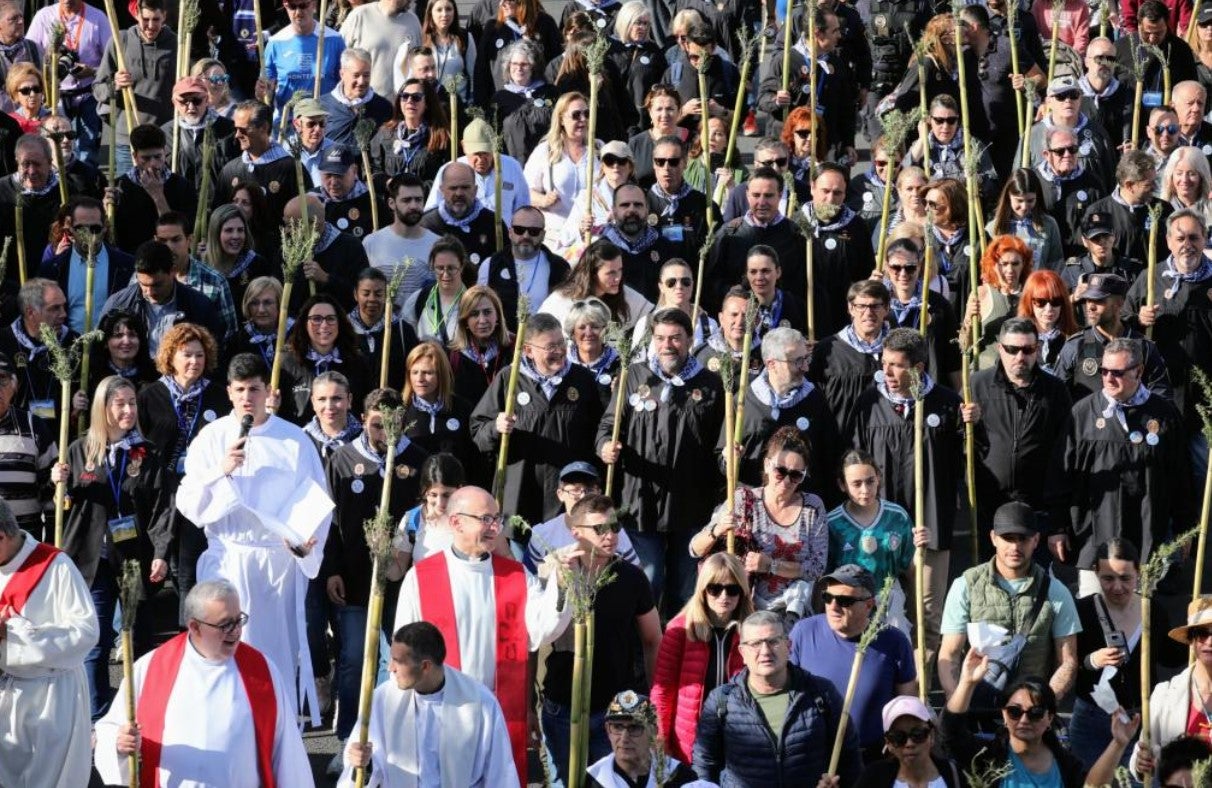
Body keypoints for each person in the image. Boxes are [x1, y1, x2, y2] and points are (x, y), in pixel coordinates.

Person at [174, 353, 336, 724]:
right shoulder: (212, 438)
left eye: (255, 389)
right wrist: (221, 470)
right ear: (229, 393)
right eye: (240, 389)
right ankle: (226, 724)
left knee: (275, 654)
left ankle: (275, 727)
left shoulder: (294, 440)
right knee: (227, 648)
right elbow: (188, 502)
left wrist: (304, 543)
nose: (248, 397)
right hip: (229, 558)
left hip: (276, 564)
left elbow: (316, 500)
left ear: (269, 392)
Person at [393, 485, 572, 784]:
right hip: (441, 712)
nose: (494, 527)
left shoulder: (514, 575)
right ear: (456, 522)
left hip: (499, 712)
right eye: (485, 519)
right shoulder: (422, 577)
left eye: (497, 519)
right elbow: (404, 651)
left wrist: (561, 584)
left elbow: (541, 629)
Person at [93, 579, 314, 786]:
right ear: (195, 627)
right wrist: (119, 742)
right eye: (226, 624)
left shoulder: (262, 671)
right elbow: (109, 728)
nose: (236, 631)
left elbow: (288, 752)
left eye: (239, 620)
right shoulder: (151, 667)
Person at [851, 328, 974, 677]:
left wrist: (970, 429)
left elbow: (967, 462)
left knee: (927, 612)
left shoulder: (948, 404)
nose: (887, 373)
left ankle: (919, 686)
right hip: (882, 526)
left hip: (930, 523)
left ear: (919, 368)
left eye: (896, 365)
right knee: (880, 605)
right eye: (884, 363)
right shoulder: (869, 404)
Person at [322, 387, 428, 765]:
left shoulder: (416, 459)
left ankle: (383, 738)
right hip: (352, 578)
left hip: (399, 581)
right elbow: (330, 522)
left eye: (393, 425)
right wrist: (331, 569)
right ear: (364, 419)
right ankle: (348, 737)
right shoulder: (342, 459)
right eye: (378, 425)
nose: (385, 434)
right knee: (353, 660)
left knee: (392, 660)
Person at [54, 374, 169, 718]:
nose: (128, 410)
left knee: (141, 640)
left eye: (131, 403)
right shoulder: (77, 450)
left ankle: (144, 712)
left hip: (134, 559)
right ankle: (98, 718)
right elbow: (62, 508)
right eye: (119, 404)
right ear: (103, 408)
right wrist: (59, 486)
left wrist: (161, 552)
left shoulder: (145, 454)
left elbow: (163, 506)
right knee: (95, 640)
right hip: (93, 560)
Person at [598, 307, 724, 609]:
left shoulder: (711, 384)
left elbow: (720, 443)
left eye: (676, 338)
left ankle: (681, 646)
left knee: (686, 588)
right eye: (661, 338)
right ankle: (644, 649)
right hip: (641, 502)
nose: (668, 345)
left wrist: (729, 457)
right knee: (649, 580)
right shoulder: (633, 375)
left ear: (690, 339)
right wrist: (605, 445)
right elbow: (607, 425)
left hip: (690, 503)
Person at [1047, 337, 1192, 589]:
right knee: (1095, 614)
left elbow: (1181, 477)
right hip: (1094, 537)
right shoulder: (1083, 414)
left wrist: (1184, 528)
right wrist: (1057, 526)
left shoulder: (1164, 415)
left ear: (1139, 371)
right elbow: (1061, 475)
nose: (1108, 378)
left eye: (1118, 372)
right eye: (1104, 371)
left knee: (1138, 616)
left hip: (1145, 537)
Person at [538, 494, 663, 785]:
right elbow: (534, 637)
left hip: (613, 712)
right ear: (576, 532)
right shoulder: (555, 572)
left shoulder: (632, 577)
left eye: (615, 527)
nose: (610, 536)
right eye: (600, 529)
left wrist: (654, 698)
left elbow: (653, 639)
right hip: (561, 704)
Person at [338, 620, 518, 787]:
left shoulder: (479, 702)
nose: (390, 668)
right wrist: (361, 763)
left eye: (398, 662)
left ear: (425, 666)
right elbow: (364, 766)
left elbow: (500, 772)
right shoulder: (382, 699)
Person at [693, 610, 862, 785]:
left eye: (773, 641)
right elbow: (704, 763)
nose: (765, 651)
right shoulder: (722, 701)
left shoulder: (821, 693)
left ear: (788, 646)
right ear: (742, 653)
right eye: (756, 644)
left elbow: (849, 757)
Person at [938, 501, 1081, 707]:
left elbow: (1067, 662)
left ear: (1036, 540)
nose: (1015, 547)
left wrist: (1042, 707)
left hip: (1032, 710)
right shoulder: (965, 586)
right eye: (1008, 538)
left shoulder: (1056, 591)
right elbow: (950, 653)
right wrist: (956, 704)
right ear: (993, 538)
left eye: (1022, 539)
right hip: (978, 706)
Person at [0, 496, 97, 788]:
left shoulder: (55, 566)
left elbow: (87, 632)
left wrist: (14, 633)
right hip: (8, 696)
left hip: (51, 698)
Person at [471, 312, 603, 523]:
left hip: (569, 499)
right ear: (528, 350)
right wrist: (496, 427)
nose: (559, 351)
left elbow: (600, 430)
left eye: (562, 343)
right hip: (520, 498)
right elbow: (478, 431)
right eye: (550, 347)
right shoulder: (509, 379)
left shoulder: (582, 379)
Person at [1070, 539, 1185, 771]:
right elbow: (1067, 663)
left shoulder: (1152, 610)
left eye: (1125, 578)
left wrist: (1193, 635)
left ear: (1138, 574)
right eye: (1108, 578)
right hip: (1092, 718)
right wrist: (1093, 660)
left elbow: (1170, 657)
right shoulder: (1082, 610)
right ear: (1096, 574)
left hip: (1138, 719)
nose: (1117, 587)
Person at [691, 426, 827, 621]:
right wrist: (718, 529)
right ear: (766, 465)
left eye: (796, 475)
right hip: (746, 611)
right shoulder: (743, 501)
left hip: (795, 611)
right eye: (780, 471)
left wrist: (771, 565)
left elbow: (817, 567)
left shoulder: (813, 507)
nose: (787, 481)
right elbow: (694, 549)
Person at [944, 648, 1134, 787]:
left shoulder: (1066, 764)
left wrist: (1118, 743)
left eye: (1035, 713)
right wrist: (967, 683)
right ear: (1003, 713)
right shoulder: (988, 757)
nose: (1024, 720)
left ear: (1050, 717)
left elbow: (1092, 787)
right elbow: (951, 733)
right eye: (1015, 712)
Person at [789, 565, 918, 760]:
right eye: (827, 597)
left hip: (872, 757)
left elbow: (906, 704)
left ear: (869, 604)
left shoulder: (894, 641)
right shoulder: (803, 633)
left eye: (844, 600)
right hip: (815, 755)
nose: (833, 606)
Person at [1124, 208, 1212, 459]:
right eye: (1180, 238)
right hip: (1159, 395)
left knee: (1201, 473)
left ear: (1204, 238)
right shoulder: (1150, 279)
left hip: (1204, 400)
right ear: (1168, 241)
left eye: (1194, 238)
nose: (1187, 245)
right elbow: (1122, 325)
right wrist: (1139, 319)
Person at [970, 318, 1073, 531]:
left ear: (1038, 349)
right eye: (1012, 349)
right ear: (1000, 348)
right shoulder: (976, 385)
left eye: (1028, 350)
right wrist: (964, 424)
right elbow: (959, 443)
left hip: (1038, 507)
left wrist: (1058, 521)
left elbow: (1065, 452)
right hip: (986, 506)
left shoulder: (1055, 390)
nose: (1020, 357)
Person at [651, 552, 750, 763]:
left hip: (739, 741)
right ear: (703, 591)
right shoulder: (679, 630)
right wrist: (661, 741)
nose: (724, 596)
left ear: (742, 592)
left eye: (732, 589)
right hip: (690, 744)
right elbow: (662, 692)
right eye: (715, 588)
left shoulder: (753, 631)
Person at [827, 450, 923, 634]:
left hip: (889, 597)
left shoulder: (897, 516)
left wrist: (920, 549)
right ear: (842, 485)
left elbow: (910, 569)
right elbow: (823, 575)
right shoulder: (833, 523)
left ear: (878, 478)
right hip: (847, 600)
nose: (865, 490)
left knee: (894, 647)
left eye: (870, 481)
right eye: (856, 484)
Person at [1052, 272, 1172, 402]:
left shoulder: (1143, 347)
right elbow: (1056, 399)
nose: (1090, 307)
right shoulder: (1075, 346)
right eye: (1087, 300)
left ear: (1119, 303)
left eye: (1098, 300)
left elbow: (1162, 397)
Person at [93, 0, 178, 172]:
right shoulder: (120, 41)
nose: (150, 26)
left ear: (164, 17)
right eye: (145, 19)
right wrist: (115, 85)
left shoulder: (177, 44)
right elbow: (98, 89)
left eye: (156, 19)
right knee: (130, 194)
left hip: (164, 140)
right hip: (127, 140)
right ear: (136, 15)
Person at [808, 280, 892, 434]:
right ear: (850, 308)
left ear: (887, 308)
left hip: (885, 442)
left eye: (875, 306)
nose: (868, 313)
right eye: (861, 306)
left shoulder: (899, 349)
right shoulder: (828, 351)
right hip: (842, 444)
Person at [0, 278, 74, 431]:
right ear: (31, 312)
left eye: (63, 307)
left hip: (61, 435)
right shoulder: (4, 342)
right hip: (15, 436)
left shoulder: (73, 343)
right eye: (55, 308)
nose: (63, 314)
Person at [478, 205, 567, 331]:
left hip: (542, 343)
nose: (526, 236)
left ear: (543, 234)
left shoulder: (558, 267)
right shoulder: (491, 265)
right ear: (510, 232)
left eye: (533, 231)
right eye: (519, 230)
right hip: (502, 344)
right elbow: (479, 307)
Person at [216, 101, 309, 221]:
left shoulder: (292, 169)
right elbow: (219, 217)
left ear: (264, 128)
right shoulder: (230, 170)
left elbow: (305, 217)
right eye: (236, 129)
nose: (237, 135)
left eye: (243, 129)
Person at [585, 691, 699, 787]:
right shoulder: (591, 780)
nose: (624, 738)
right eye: (617, 727)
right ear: (607, 730)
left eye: (634, 727)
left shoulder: (680, 777)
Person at [538, 238, 653, 330]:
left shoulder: (624, 293)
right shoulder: (560, 302)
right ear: (592, 274)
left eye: (620, 270)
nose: (618, 278)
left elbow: (651, 315)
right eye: (611, 273)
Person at [853, 696, 963, 788]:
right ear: (888, 743)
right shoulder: (873, 779)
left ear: (932, 735)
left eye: (918, 734)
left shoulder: (956, 775)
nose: (909, 744)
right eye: (898, 737)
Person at [363, 172, 441, 301]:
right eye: (406, 200)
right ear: (391, 203)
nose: (414, 206)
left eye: (418, 200)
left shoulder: (437, 245)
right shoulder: (372, 243)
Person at [258, 0, 343, 117]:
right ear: (285, 6)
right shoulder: (275, 42)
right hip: (287, 124)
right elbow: (265, 91)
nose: (298, 12)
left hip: (323, 124)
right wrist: (263, 92)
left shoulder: (334, 39)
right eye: (292, 6)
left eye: (303, 5)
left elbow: (343, 84)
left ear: (314, 4)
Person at [160, 75, 239, 194]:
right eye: (184, 101)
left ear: (206, 100)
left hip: (218, 204)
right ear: (174, 102)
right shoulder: (165, 134)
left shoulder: (229, 130)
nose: (191, 107)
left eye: (197, 101)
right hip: (180, 205)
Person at [367, 77, 450, 187]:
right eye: (405, 96)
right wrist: (390, 183)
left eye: (416, 97)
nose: (410, 101)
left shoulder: (440, 137)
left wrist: (417, 189)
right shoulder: (385, 134)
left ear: (427, 103)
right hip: (391, 200)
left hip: (425, 201)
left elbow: (445, 178)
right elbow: (372, 170)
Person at [420, 161, 503, 266]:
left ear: (475, 190)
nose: (459, 193)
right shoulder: (426, 225)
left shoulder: (494, 224)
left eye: (465, 187)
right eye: (453, 188)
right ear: (442, 190)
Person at [340, 0, 422, 100]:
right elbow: (340, 58)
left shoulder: (413, 21)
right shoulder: (359, 16)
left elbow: (418, 64)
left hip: (401, 105)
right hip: (364, 102)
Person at [448, 284, 513, 406]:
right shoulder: (451, 355)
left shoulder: (515, 348)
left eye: (487, 312)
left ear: (498, 314)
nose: (482, 320)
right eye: (474, 314)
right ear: (465, 320)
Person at [396, 452, 464, 564]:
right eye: (433, 495)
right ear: (425, 492)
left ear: (460, 488)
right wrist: (381, 552)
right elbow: (397, 572)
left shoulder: (473, 517)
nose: (440, 503)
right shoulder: (412, 519)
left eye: (447, 495)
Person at [204, 203, 274, 310]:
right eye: (229, 230)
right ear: (216, 233)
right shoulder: (202, 265)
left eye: (240, 230)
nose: (236, 236)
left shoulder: (257, 265)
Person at [319, 48, 394, 146]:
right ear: (342, 74)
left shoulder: (383, 107)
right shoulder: (322, 106)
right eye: (356, 75)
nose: (361, 81)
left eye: (366, 75)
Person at [1016, 270, 1078, 375]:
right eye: (1041, 302)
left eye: (1055, 302)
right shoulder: (1016, 337)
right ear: (1029, 302)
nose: (1049, 308)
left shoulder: (1076, 338)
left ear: (1063, 303)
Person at [6, 63, 47, 134]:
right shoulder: (9, 122)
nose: (32, 94)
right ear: (15, 94)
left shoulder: (53, 119)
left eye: (36, 89)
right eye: (25, 91)